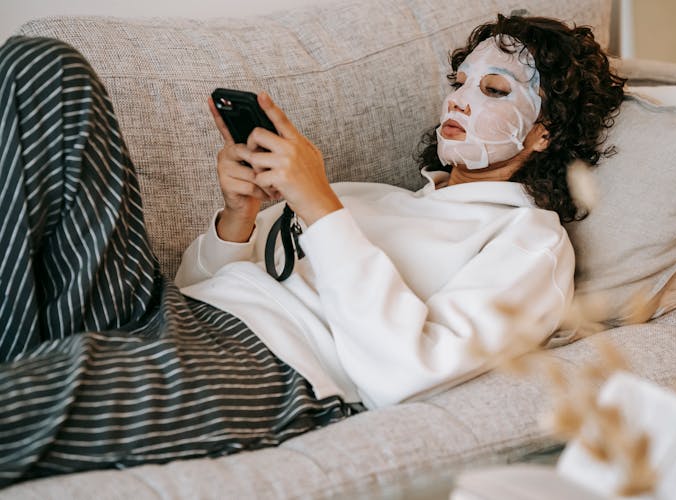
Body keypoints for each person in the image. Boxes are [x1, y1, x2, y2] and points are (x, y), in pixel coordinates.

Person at [0, 13, 625, 485]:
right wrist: (239, 216)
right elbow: (201, 282)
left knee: (30, 398)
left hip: (267, 369)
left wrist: (319, 206)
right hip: (167, 310)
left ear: (545, 132)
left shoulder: (529, 241)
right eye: (459, 81)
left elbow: (407, 373)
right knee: (43, 68)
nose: (460, 98)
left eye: (494, 90)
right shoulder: (370, 197)